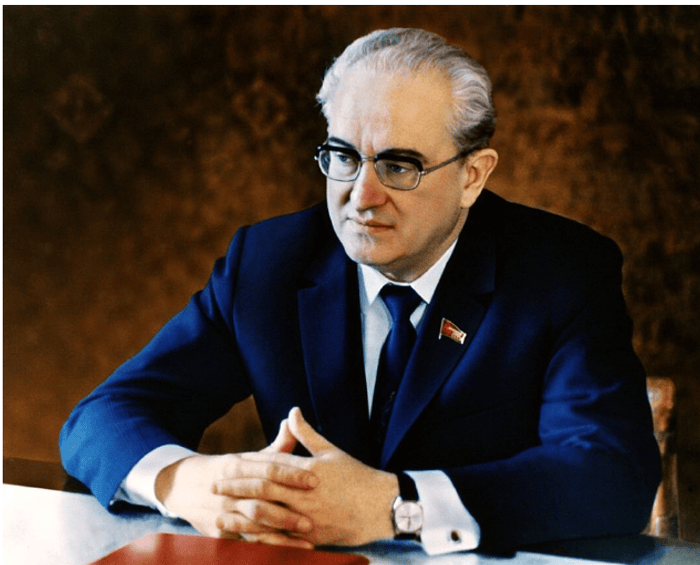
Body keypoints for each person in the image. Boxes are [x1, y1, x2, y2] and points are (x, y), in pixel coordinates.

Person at [60, 28, 660, 554]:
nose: (361, 196)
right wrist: (186, 483)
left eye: (399, 167)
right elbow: (102, 416)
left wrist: (398, 506)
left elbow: (613, 474)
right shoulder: (269, 264)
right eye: (343, 156)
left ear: (473, 177)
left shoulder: (561, 271)